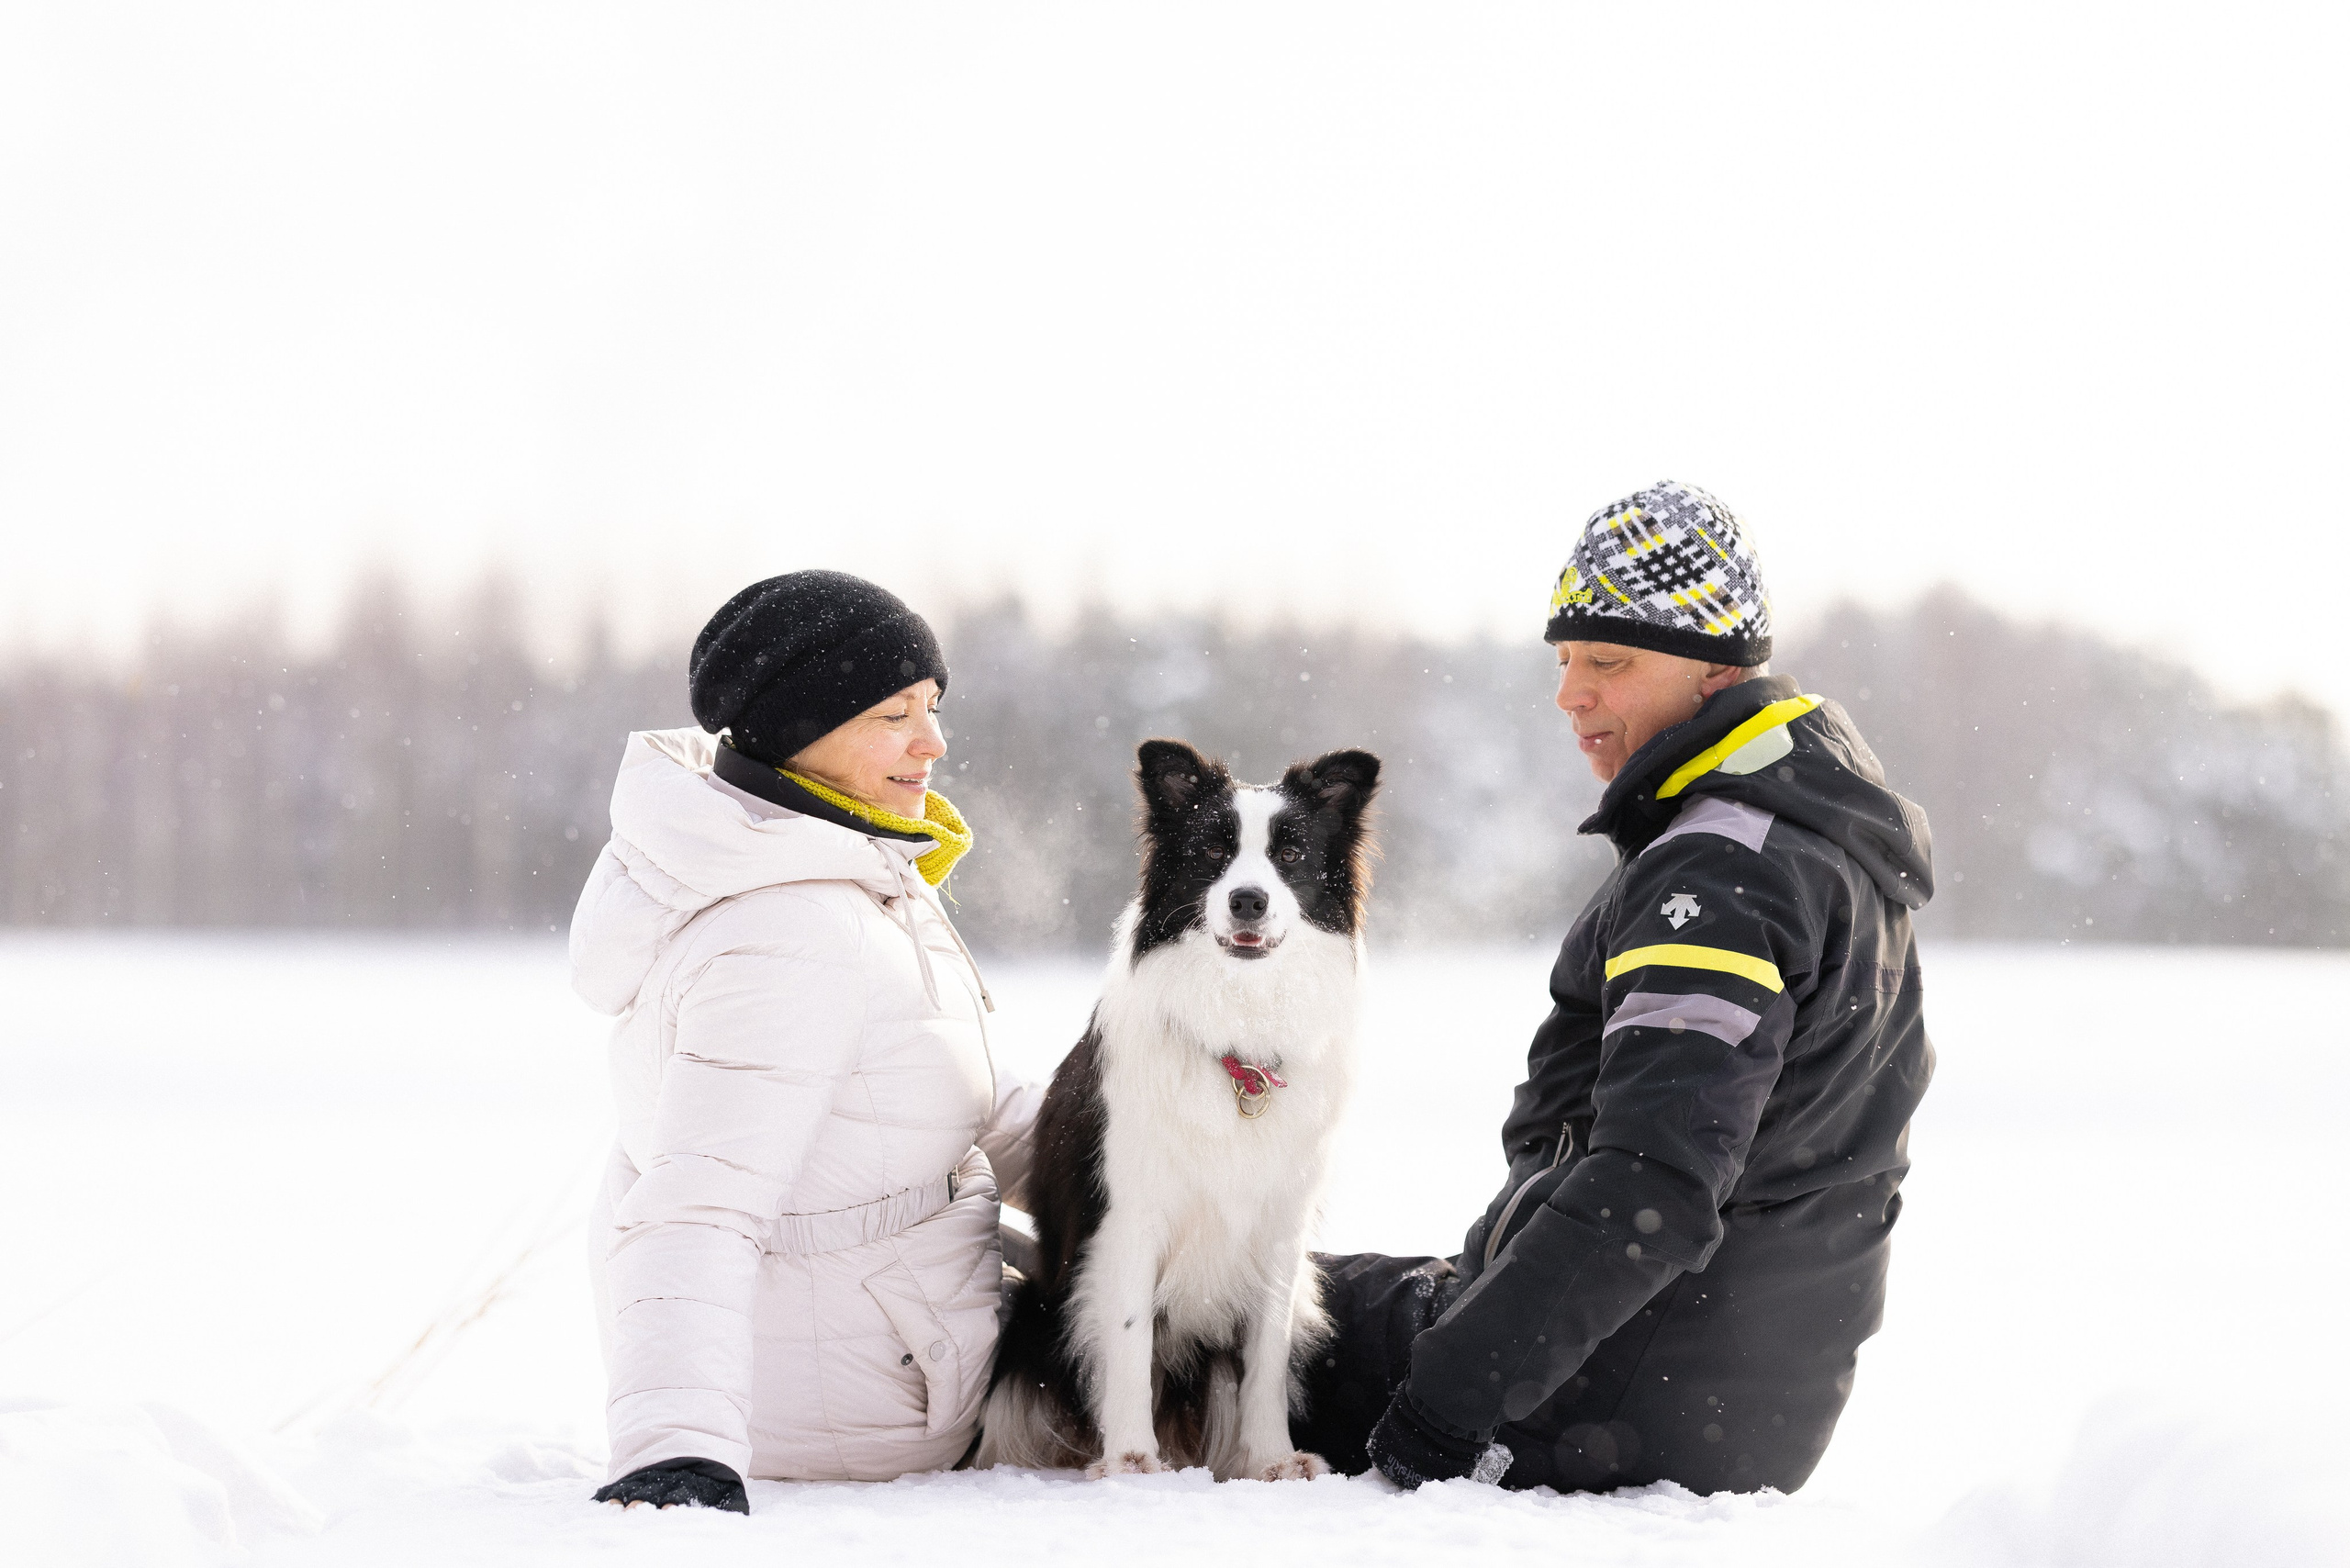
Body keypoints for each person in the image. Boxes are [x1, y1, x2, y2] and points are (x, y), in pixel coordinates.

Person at [1296, 480, 1933, 1495]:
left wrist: (1444, 1407)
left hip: (1623, 1399)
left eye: (1609, 660)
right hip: (1723, 1386)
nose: (1570, 693)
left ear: (1715, 669)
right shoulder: (1807, 841)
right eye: (1564, 661)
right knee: (1301, 1293)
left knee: (1246, 1318)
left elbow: (1653, 1182)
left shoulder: (1722, 871)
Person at [569, 570, 1041, 1512]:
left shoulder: (836, 871)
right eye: (892, 713)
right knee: (1271, 1348)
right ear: (798, 731)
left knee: (1239, 1292)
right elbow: (695, 1203)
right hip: (871, 1394)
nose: (933, 741)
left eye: (933, 706)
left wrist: (1165, 1145)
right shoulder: (786, 935)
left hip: (891, 1322)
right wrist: (676, 1450)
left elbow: (948, 1099)